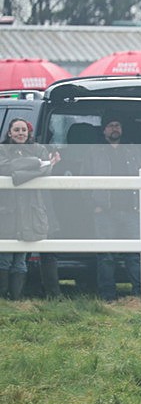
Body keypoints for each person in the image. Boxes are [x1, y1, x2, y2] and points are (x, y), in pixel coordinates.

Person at [82, 113, 141, 301]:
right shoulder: (94, 152)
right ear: (104, 130)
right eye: (111, 125)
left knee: (134, 255)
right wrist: (94, 206)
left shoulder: (132, 151)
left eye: (117, 125)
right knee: (106, 257)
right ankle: (108, 297)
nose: (115, 128)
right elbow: (84, 181)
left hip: (130, 211)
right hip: (105, 212)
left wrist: (139, 204)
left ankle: (139, 295)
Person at [0, 118, 59, 299]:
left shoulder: (39, 148)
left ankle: (16, 299)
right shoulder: (2, 149)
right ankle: (3, 298)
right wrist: (36, 164)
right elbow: (5, 167)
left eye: (23, 130)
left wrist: (19, 173)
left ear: (28, 132)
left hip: (31, 210)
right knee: (5, 259)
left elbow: (47, 170)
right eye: (16, 130)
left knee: (20, 261)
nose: (20, 133)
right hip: (7, 210)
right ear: (9, 133)